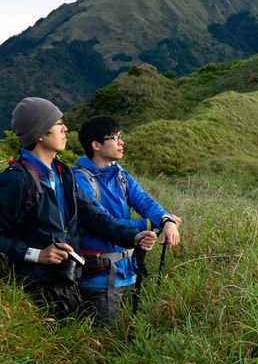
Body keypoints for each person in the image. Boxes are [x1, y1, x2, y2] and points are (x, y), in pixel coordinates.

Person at [0, 97, 157, 319]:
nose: (65, 128)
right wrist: (37, 255)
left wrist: (133, 237)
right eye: (58, 124)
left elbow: (94, 216)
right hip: (34, 290)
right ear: (40, 133)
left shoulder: (62, 173)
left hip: (67, 282)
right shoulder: (18, 181)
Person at [74, 115, 181, 324]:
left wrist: (166, 220)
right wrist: (151, 224)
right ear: (96, 145)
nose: (121, 142)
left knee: (124, 341)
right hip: (99, 278)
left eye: (120, 136)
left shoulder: (121, 175)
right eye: (114, 138)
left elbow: (144, 201)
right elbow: (104, 222)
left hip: (128, 272)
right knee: (102, 344)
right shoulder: (79, 179)